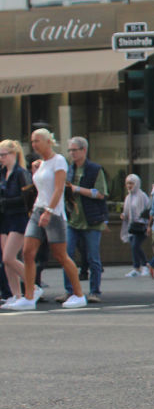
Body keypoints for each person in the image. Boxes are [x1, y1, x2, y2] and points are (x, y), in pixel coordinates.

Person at [8, 129, 85, 310]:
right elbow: (41, 186)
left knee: (60, 255)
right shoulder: (41, 164)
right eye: (32, 141)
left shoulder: (59, 161)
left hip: (54, 213)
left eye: (37, 141)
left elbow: (59, 189)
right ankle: (28, 296)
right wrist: (36, 170)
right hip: (37, 209)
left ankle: (79, 295)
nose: (34, 144)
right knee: (27, 252)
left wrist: (49, 211)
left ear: (48, 142)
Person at [59, 136, 107, 303]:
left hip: (91, 221)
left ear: (83, 150)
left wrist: (77, 189)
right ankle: (70, 290)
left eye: (74, 150)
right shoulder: (69, 170)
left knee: (93, 258)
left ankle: (95, 291)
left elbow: (100, 193)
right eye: (70, 150)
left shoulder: (95, 169)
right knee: (67, 254)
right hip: (73, 220)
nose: (72, 153)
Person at [0, 139, 32, 305]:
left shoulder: (21, 173)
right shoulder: (3, 173)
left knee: (9, 257)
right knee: (6, 261)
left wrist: (5, 202)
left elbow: (26, 198)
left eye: (4, 154)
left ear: (13, 154)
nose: (1, 158)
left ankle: (32, 286)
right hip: (5, 218)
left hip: (18, 218)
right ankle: (16, 295)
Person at [119, 174, 150, 278]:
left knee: (135, 245)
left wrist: (146, 222)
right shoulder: (128, 197)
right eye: (127, 183)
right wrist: (124, 215)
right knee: (134, 246)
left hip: (141, 225)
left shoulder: (142, 196)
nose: (129, 185)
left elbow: (147, 210)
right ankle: (137, 268)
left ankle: (144, 265)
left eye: (131, 183)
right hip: (131, 226)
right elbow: (127, 212)